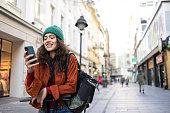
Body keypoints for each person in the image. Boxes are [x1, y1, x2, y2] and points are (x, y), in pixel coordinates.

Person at [24, 25, 78, 113]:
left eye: (52, 37)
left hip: (63, 108)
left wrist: (47, 90)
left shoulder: (69, 58)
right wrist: (30, 72)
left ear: (59, 41)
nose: (47, 40)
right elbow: (32, 92)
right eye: (45, 38)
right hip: (43, 109)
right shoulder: (39, 60)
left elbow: (72, 86)